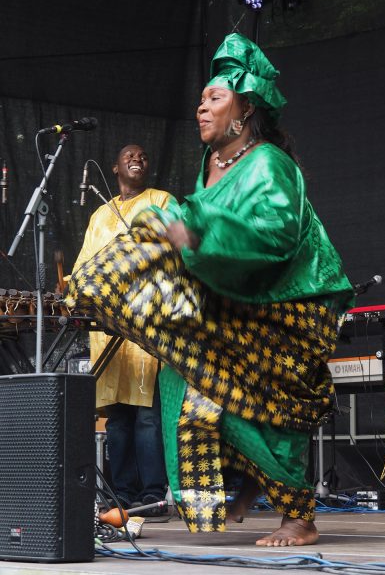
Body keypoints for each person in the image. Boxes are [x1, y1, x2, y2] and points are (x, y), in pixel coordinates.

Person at [66, 34, 354, 545]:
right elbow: (198, 227)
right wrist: (180, 234)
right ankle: (245, 480)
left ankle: (298, 516)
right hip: (239, 298)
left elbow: (274, 235)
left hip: (290, 304)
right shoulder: (211, 166)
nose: (201, 107)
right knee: (196, 384)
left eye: (214, 99)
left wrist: (195, 233)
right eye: (200, 99)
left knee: (262, 399)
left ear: (243, 110)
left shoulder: (268, 163)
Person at [71, 144, 172, 514]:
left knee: (147, 414)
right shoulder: (100, 214)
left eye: (145, 156)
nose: (138, 159)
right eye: (130, 155)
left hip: (145, 323)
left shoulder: (161, 200)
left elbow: (169, 250)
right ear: (114, 167)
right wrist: (70, 292)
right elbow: (84, 264)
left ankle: (153, 496)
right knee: (117, 417)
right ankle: (124, 495)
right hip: (107, 327)